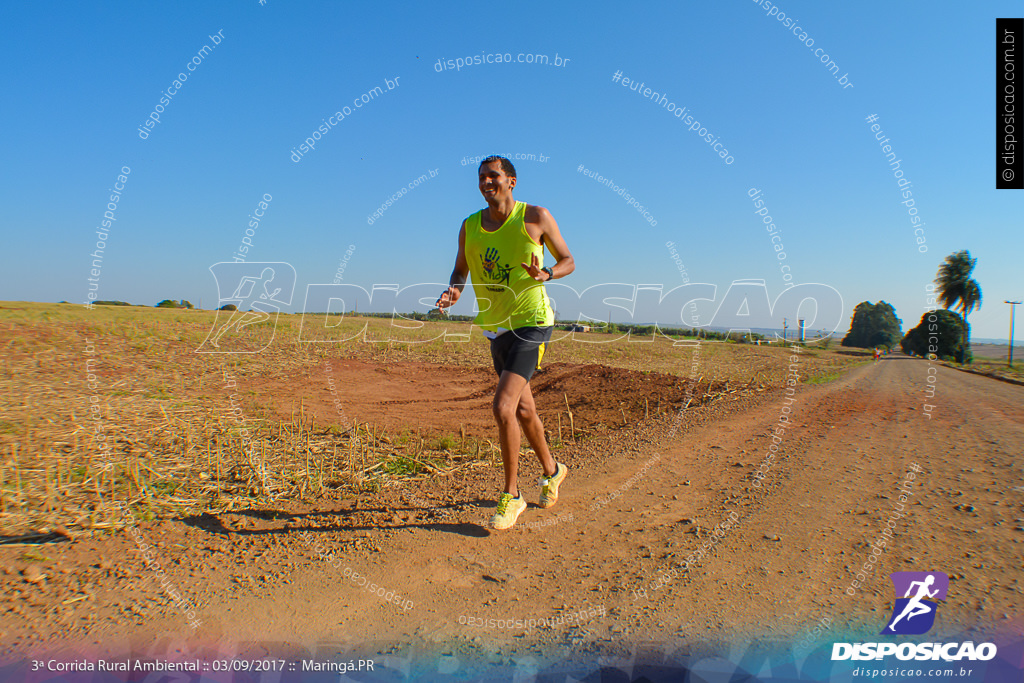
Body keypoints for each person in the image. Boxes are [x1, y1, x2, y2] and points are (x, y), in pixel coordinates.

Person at [436, 156, 575, 530]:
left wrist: (546, 272)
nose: (486, 182)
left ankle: (512, 495)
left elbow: (568, 260)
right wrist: (454, 290)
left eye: (493, 176)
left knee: (503, 406)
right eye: (481, 177)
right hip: (495, 326)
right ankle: (553, 470)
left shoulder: (536, 217)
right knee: (525, 411)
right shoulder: (470, 225)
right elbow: (460, 268)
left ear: (511, 181)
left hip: (532, 322)